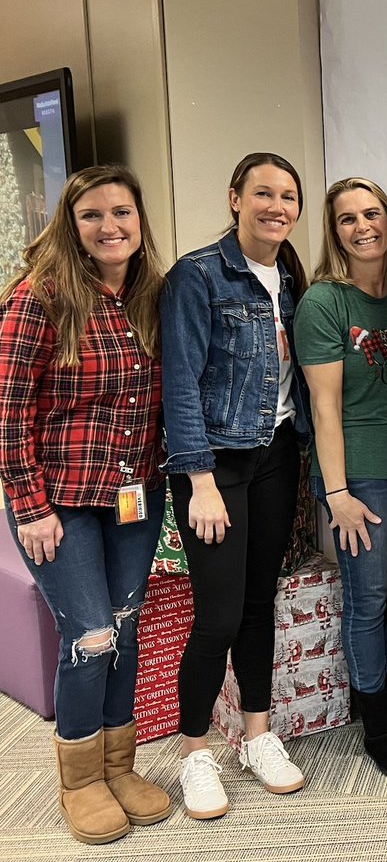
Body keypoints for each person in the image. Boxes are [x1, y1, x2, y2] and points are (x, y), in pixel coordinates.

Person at [0, 165, 171, 843]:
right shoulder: (39, 298)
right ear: (70, 226)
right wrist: (29, 505)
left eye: (122, 212)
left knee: (125, 628)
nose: (110, 227)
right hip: (60, 499)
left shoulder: (152, 296)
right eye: (92, 215)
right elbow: (8, 415)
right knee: (92, 635)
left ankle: (118, 766)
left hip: (132, 494)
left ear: (140, 220)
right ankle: (80, 778)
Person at [161, 152, 312, 819]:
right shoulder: (198, 276)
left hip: (277, 456)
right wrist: (199, 479)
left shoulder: (289, 276)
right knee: (218, 614)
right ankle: (196, 752)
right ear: (234, 199)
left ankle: (256, 734)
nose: (275, 206)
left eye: (286, 196)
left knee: (259, 603)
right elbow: (180, 383)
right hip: (216, 464)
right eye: (262, 194)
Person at [294, 177, 387, 780]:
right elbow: (324, 408)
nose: (363, 227)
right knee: (369, 599)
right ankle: (377, 720)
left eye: (373, 213)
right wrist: (337, 495)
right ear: (334, 232)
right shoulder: (324, 303)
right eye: (348, 218)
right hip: (361, 473)